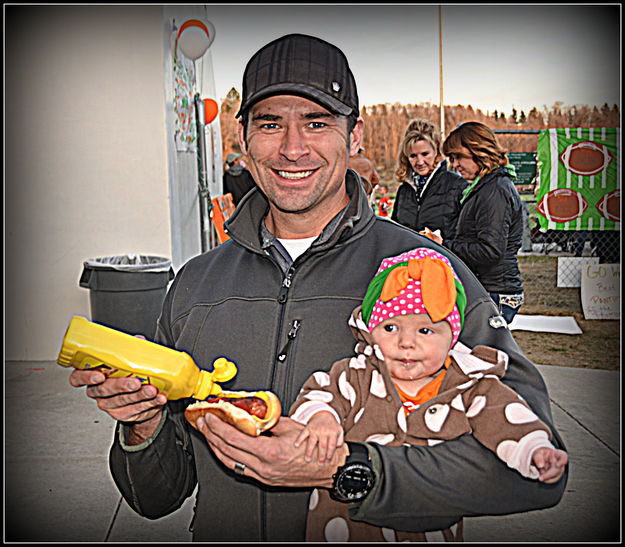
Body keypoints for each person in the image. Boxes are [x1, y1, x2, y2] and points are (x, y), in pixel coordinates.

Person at [68, 34, 567, 542]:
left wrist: (347, 470)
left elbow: (536, 474)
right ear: (243, 138)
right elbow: (155, 499)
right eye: (269, 123)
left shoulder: (428, 274)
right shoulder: (197, 284)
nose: (291, 147)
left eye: (316, 122)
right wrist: (142, 426)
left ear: (355, 137)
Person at [290, 247, 568, 541]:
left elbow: (508, 418)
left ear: (452, 337)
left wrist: (536, 450)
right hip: (344, 527)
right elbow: (319, 393)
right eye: (390, 327)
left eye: (425, 331)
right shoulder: (354, 375)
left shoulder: (469, 387)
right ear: (369, 331)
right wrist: (320, 418)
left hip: (430, 527)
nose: (406, 342)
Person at [435, 121, 525, 324]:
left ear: (479, 151)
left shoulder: (495, 191)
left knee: (485, 353)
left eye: (459, 157)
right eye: (452, 158)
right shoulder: (484, 187)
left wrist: (445, 245)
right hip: (487, 287)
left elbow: (490, 251)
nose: (455, 165)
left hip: (494, 291)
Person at [392, 119, 467, 239]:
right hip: (408, 256)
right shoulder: (404, 191)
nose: (420, 162)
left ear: (436, 151)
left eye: (425, 154)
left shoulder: (458, 186)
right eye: (413, 156)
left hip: (444, 256)